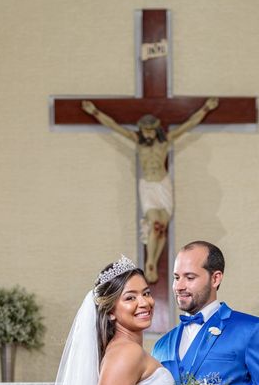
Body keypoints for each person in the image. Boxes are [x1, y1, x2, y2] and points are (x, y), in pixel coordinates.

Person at [82, 98, 219, 284]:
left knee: (161, 227)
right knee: (155, 223)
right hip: (148, 185)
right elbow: (114, 126)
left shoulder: (165, 142)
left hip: (163, 184)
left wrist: (205, 108)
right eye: (144, 130)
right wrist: (94, 112)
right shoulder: (137, 142)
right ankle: (150, 262)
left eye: (150, 130)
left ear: (156, 130)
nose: (147, 134)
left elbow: (189, 124)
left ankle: (153, 260)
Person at [152, 241, 259, 385]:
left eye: (190, 277)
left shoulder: (251, 330)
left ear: (215, 279)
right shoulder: (161, 346)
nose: (179, 286)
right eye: (176, 277)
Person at [54, 255, 175, 385]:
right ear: (110, 312)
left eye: (146, 293)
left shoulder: (123, 349)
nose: (144, 303)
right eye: (130, 297)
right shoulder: (127, 352)